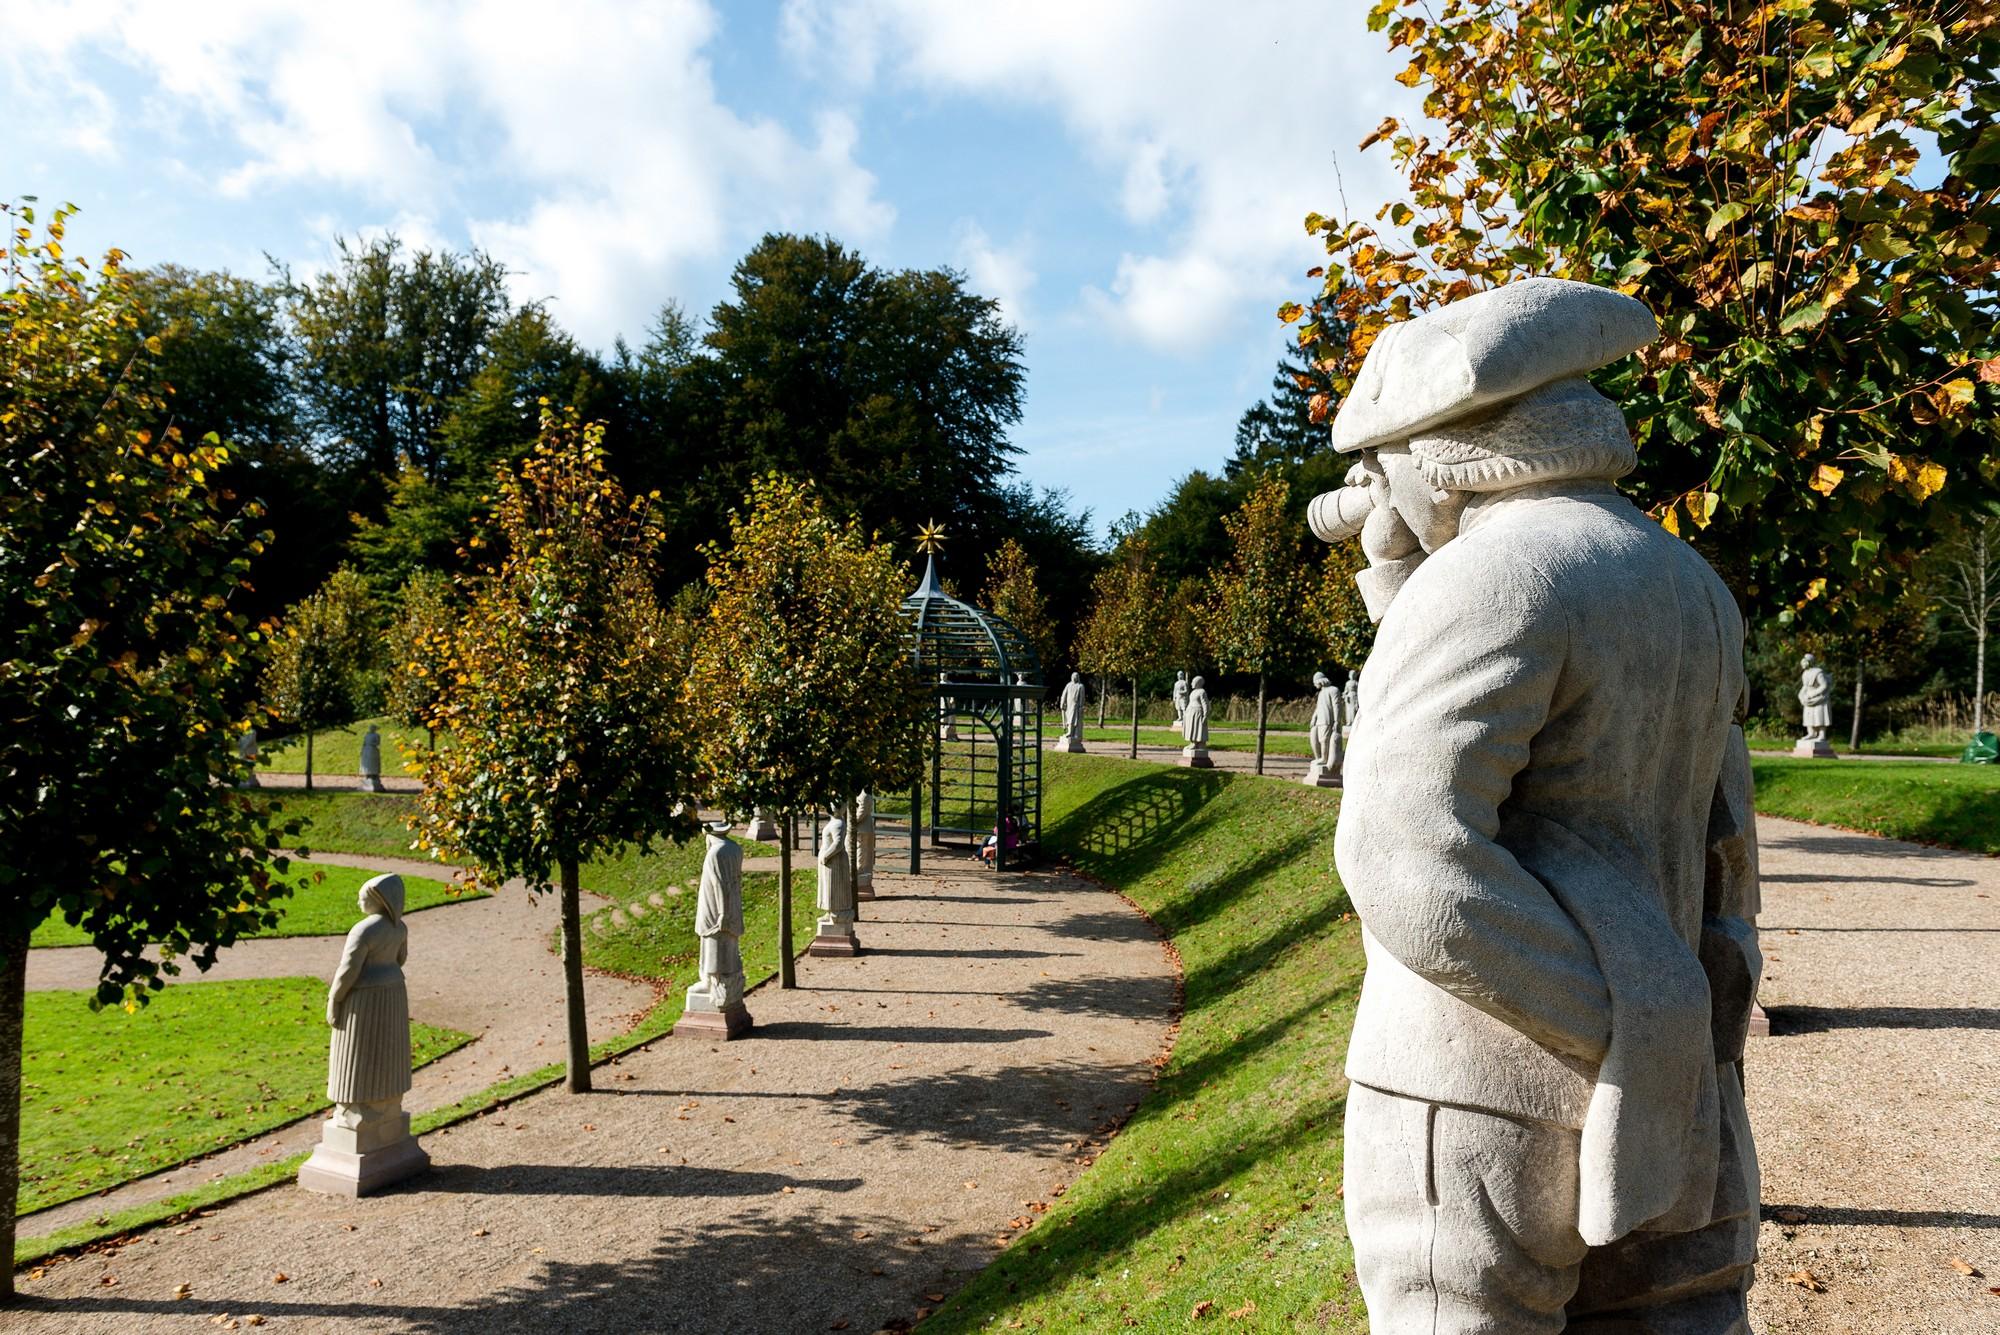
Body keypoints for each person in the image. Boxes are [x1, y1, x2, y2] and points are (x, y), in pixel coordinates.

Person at [1324, 278, 1762, 1332]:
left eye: (1378, 466)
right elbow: (1724, 848)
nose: (1371, 492)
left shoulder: (1487, 577)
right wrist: (1671, 1033)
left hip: (1479, 1080)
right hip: (1674, 1095)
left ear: (1440, 454)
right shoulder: (1680, 576)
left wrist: (1611, 1022)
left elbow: (1404, 855)